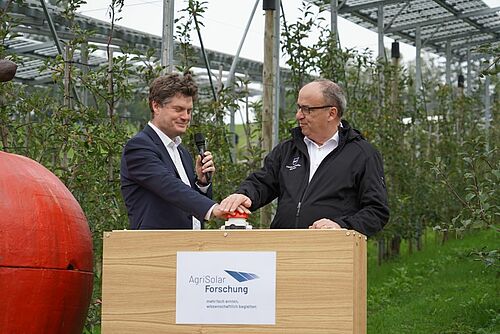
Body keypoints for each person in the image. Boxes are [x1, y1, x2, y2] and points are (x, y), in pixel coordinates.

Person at [220, 79, 389, 237]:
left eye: (307, 109)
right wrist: (244, 195)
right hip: (283, 250)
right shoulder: (288, 149)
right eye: (299, 108)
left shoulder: (362, 154)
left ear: (331, 113)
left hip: (331, 254)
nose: (298, 115)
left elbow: (376, 211)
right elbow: (263, 182)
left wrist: (340, 226)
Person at [120, 72, 226, 229]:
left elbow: (189, 208)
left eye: (189, 111)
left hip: (189, 247)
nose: (186, 117)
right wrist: (213, 208)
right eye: (178, 109)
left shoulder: (182, 153)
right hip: (157, 248)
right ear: (156, 106)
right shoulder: (139, 147)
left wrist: (202, 182)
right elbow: (170, 188)